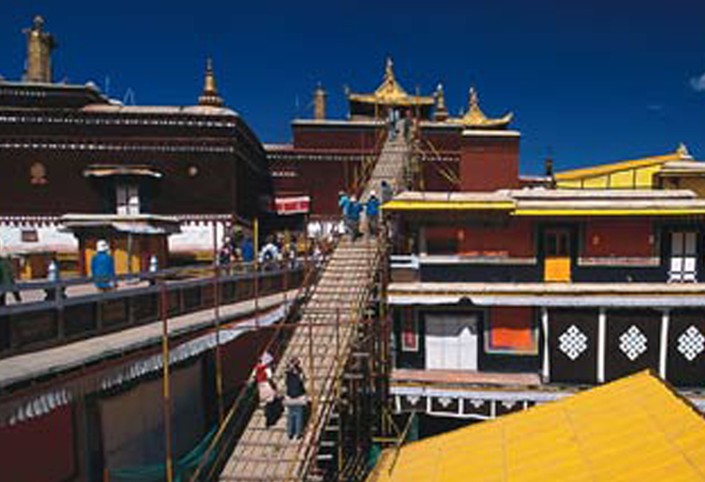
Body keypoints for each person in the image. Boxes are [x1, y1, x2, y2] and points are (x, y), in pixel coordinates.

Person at [255, 352, 280, 428]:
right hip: (267, 385)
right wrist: (274, 387)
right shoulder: (267, 369)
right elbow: (269, 378)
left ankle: (267, 417)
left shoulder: (257, 368)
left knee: (267, 402)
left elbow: (254, 376)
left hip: (260, 385)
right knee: (271, 402)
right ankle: (271, 419)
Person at [284, 357, 307, 440]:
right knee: (298, 415)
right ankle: (298, 433)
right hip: (298, 396)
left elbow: (286, 383)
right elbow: (303, 380)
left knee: (290, 415)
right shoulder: (299, 374)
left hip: (290, 396)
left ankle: (290, 433)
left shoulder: (287, 374)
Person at [0, 239, 21, 306]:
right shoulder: (6, 263)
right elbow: (10, 277)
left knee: (2, 300)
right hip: (5, 284)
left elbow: (9, 276)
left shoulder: (4, 263)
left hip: (3, 283)